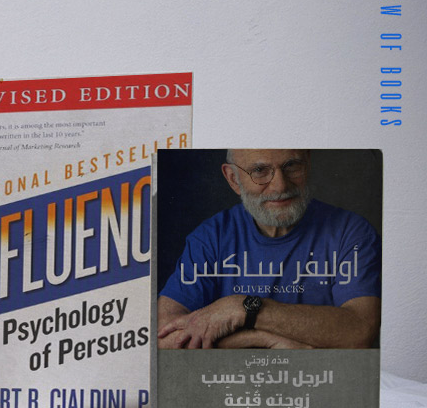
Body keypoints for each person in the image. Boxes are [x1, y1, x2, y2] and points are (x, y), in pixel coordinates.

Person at [157, 149, 380, 349]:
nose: (280, 186)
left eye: (291, 165)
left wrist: (241, 308)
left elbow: (360, 332)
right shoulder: (210, 237)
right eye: (260, 171)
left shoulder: (351, 232)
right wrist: (263, 339)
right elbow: (163, 337)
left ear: (308, 163)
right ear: (233, 178)